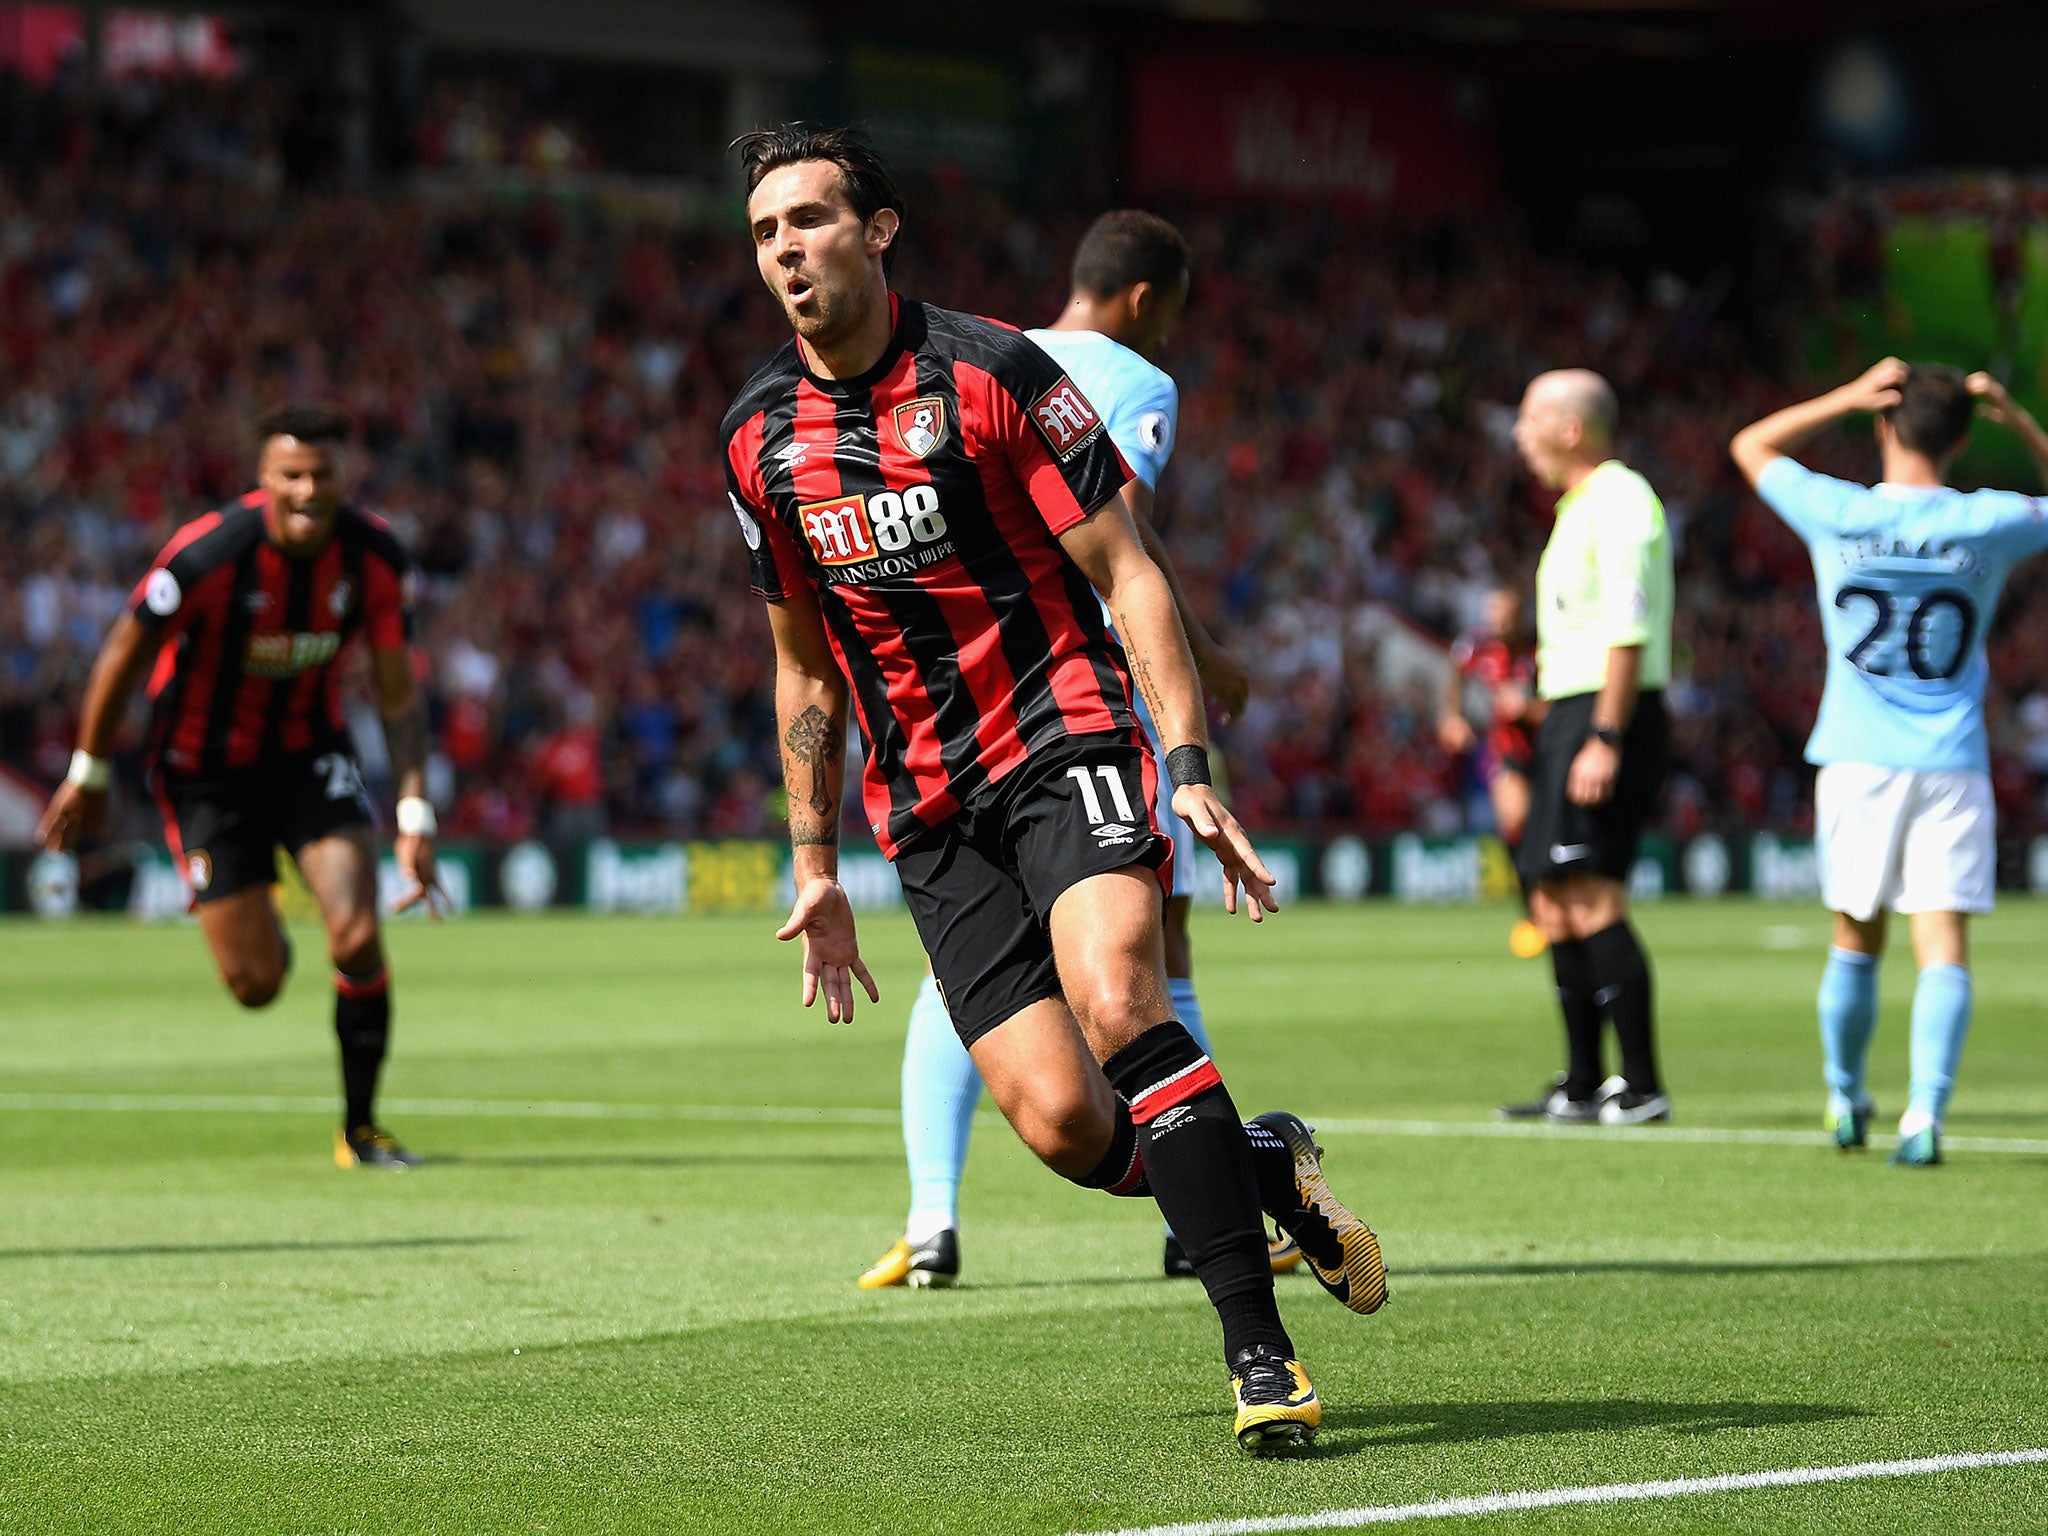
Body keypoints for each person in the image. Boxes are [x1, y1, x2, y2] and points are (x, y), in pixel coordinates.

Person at [722, 123, 1384, 1454]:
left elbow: (1128, 571)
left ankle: (1261, 1355)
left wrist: (1188, 767)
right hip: (926, 808)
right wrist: (809, 867)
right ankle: (1263, 1169)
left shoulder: (997, 373)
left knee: (1121, 996)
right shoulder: (756, 441)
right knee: (1066, 1125)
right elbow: (801, 671)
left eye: (809, 220)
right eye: (763, 233)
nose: (786, 249)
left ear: (879, 229)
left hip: (1062, 736)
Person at [854, 208, 1300, 1291]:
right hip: (1087, 691)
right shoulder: (1132, 379)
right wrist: (1206, 659)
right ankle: (1194, 1209)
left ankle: (930, 1221)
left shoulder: (972, 357)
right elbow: (1123, 542)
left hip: (963, 703)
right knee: (1161, 951)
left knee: (960, 970)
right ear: (1147, 300)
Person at [36, 402, 442, 1169]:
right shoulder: (210, 552)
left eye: (321, 475)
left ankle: (361, 1131)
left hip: (308, 754)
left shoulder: (375, 556)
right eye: (290, 475)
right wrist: (86, 771)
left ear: (341, 479)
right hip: (205, 771)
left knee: (357, 934)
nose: (307, 491)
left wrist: (414, 813)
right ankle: (257, 917)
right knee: (255, 984)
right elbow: (123, 651)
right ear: (263, 479)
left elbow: (396, 693)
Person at [1730, 360, 2048, 1165]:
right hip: (1951, 759)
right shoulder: (1988, 520)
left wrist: (1842, 395)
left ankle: (1844, 1097)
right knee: (1941, 944)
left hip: (1856, 758)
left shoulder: (1839, 511)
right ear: (1963, 437)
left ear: (1883, 424)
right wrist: (2015, 417)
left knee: (1854, 937)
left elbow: (1750, 444)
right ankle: (1925, 1118)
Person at [1500, 370, 1675, 1126]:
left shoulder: (1621, 501)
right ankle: (1581, 1082)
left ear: (1572, 428)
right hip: (1571, 714)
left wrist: (1605, 734)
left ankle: (1640, 1086)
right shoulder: (1578, 509)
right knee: (1552, 896)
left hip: (1609, 714)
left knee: (1593, 892)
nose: (1518, 433)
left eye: (1531, 417)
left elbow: (1627, 631)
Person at [1438, 582, 1546, 958]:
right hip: (1508, 751)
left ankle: (1551, 903)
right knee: (1516, 821)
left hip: (1551, 751)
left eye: (1505, 614)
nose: (1496, 621)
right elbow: (1451, 679)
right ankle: (1534, 912)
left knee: (1545, 832)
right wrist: (1451, 717)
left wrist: (1529, 709)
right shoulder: (1474, 649)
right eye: (1492, 613)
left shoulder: (1543, 649)